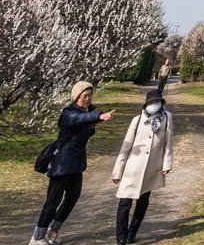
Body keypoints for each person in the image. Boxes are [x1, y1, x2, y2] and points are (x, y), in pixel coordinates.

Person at [30, 81, 113, 245]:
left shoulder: (86, 111)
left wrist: (93, 125)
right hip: (61, 163)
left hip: (77, 164)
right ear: (77, 96)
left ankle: (53, 229)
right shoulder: (68, 112)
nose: (88, 99)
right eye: (84, 96)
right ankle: (37, 237)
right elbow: (77, 119)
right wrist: (97, 116)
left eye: (90, 95)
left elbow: (81, 133)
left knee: (72, 198)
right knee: (52, 202)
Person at [109, 87, 174, 244]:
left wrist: (167, 163)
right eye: (151, 102)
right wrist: (117, 172)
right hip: (132, 169)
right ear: (146, 104)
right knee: (124, 203)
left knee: (143, 202)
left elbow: (168, 142)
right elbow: (126, 147)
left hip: (151, 168)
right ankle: (121, 236)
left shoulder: (167, 118)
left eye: (157, 102)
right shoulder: (136, 120)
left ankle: (133, 231)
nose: (154, 105)